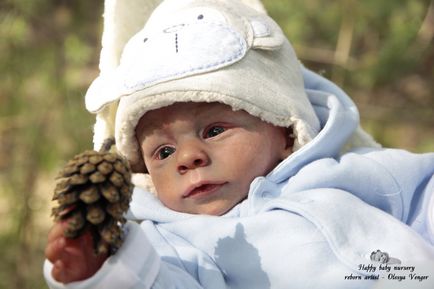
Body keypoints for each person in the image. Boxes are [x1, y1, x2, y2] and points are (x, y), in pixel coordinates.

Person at [44, 0, 434, 288]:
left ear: (283, 130)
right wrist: (103, 271)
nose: (189, 158)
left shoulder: (351, 173)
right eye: (163, 153)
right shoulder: (175, 241)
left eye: (214, 130)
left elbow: (424, 196)